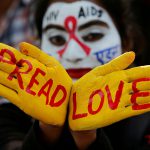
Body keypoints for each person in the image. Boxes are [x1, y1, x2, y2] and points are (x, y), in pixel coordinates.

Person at [0, 0, 149, 150]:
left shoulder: (145, 118)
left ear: (126, 41)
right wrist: (48, 129)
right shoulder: (11, 117)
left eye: (92, 35)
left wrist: (85, 136)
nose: (73, 54)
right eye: (57, 39)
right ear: (39, 46)